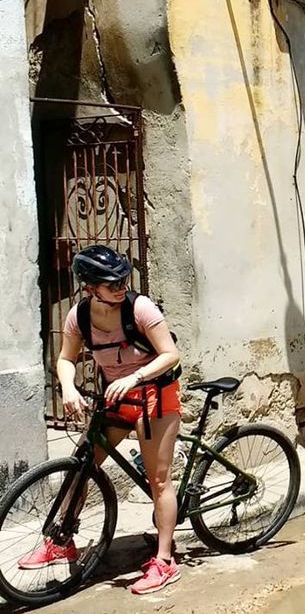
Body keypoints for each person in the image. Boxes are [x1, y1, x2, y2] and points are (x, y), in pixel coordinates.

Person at [17, 245, 183, 595]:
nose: (121, 286)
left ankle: (165, 560)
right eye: (111, 283)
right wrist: (68, 387)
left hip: (154, 395)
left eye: (123, 278)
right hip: (117, 398)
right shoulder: (78, 316)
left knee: (159, 479)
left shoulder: (140, 308)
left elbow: (170, 354)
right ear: (91, 288)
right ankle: (62, 541)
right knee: (80, 465)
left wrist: (134, 377)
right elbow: (65, 358)